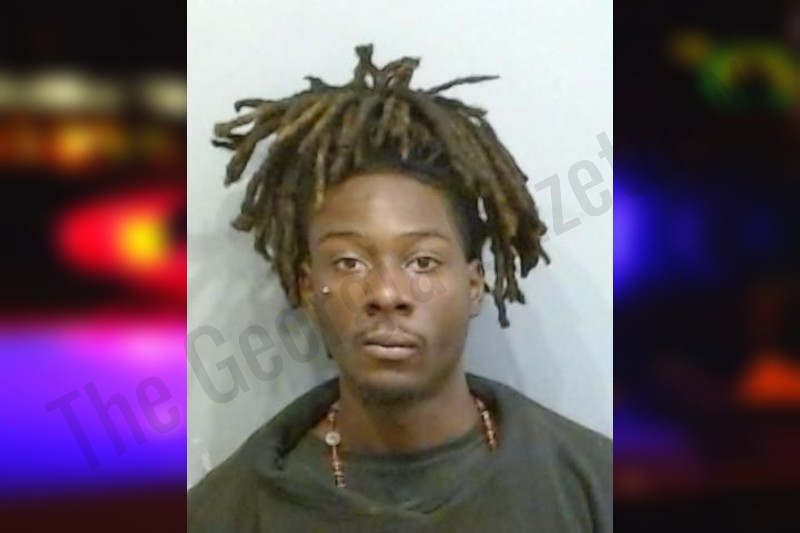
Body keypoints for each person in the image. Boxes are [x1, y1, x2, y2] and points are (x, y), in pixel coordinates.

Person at [188, 44, 612, 532]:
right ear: (307, 288)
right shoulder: (222, 513)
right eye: (349, 262)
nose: (387, 294)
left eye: (422, 262)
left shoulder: (593, 488)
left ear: (474, 284)